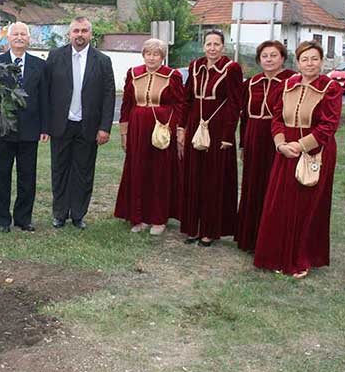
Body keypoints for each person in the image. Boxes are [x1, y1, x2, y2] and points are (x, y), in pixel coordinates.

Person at [254, 41, 342, 278]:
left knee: (305, 206)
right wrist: (281, 144)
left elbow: (328, 126)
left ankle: (300, 258)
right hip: (285, 151)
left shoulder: (331, 87)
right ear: (298, 62)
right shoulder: (287, 85)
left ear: (321, 62)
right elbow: (277, 118)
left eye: (314, 59)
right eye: (305, 59)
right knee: (280, 205)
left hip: (314, 151)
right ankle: (275, 256)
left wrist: (300, 146)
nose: (309, 64)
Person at [45, 17, 115, 229]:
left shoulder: (102, 61)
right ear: (70, 34)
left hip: (88, 126)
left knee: (83, 172)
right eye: (76, 30)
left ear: (90, 34)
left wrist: (104, 127)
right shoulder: (55, 57)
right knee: (59, 170)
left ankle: (78, 214)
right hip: (61, 124)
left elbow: (109, 95)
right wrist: (45, 124)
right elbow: (46, 91)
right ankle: (59, 213)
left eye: (84, 31)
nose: (80, 35)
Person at [113, 38, 186, 234]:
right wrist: (124, 133)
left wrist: (175, 129)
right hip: (137, 128)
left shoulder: (173, 75)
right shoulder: (133, 73)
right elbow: (127, 104)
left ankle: (158, 219)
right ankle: (139, 216)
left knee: (158, 174)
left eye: (156, 54)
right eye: (148, 53)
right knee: (139, 171)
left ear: (162, 57)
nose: (152, 58)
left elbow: (180, 105)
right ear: (143, 54)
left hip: (160, 130)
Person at [178, 29, 243, 247]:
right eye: (209, 44)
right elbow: (187, 99)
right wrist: (182, 127)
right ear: (203, 46)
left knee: (212, 179)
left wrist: (228, 135)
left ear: (223, 46)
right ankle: (192, 227)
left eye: (216, 44)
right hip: (196, 125)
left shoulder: (232, 68)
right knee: (193, 177)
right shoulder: (195, 66)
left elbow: (235, 103)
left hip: (217, 128)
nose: (212, 48)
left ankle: (209, 229)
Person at [0, 21, 49, 233]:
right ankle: (2, 219)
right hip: (3, 129)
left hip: (30, 130)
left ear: (29, 39)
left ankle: (23, 218)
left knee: (27, 177)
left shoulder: (40, 66)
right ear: (8, 38)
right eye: (16, 34)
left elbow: (44, 98)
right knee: (1, 175)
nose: (20, 37)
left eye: (23, 34)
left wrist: (44, 127)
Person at [236, 40, 295, 252]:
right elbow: (244, 117)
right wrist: (243, 145)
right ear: (259, 59)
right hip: (253, 136)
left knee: (275, 186)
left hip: (277, 138)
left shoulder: (291, 81)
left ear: (282, 58)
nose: (269, 60)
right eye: (265, 56)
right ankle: (250, 237)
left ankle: (271, 239)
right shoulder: (251, 83)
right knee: (253, 185)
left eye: (273, 55)